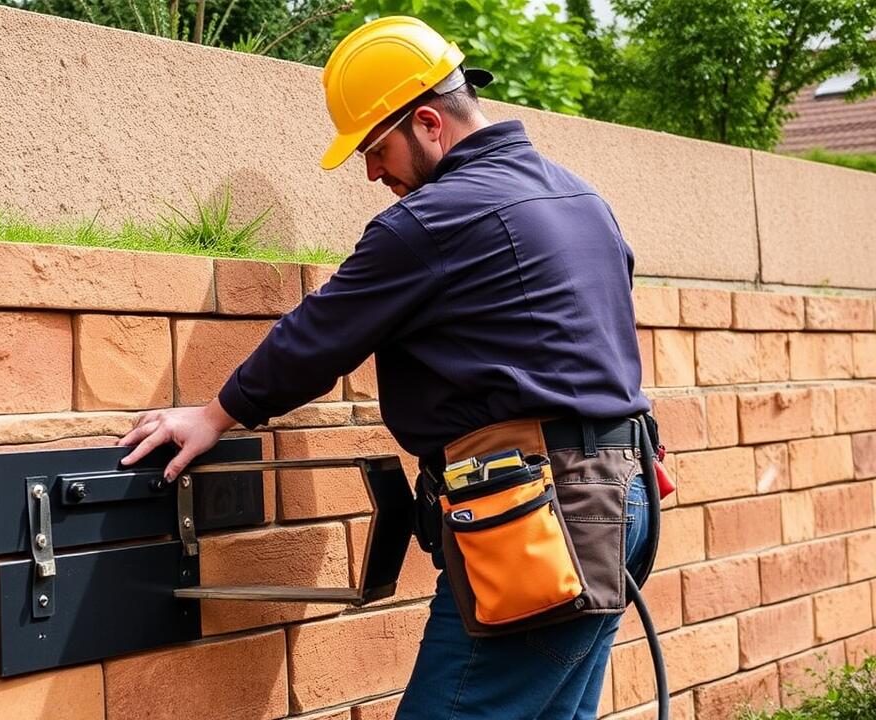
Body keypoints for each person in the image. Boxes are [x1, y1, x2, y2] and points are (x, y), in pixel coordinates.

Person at [119, 15, 658, 720]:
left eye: (375, 149)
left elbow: (320, 336)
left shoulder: (434, 220)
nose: (372, 172)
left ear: (429, 122)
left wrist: (215, 414)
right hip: (619, 498)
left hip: (542, 518)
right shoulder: (582, 199)